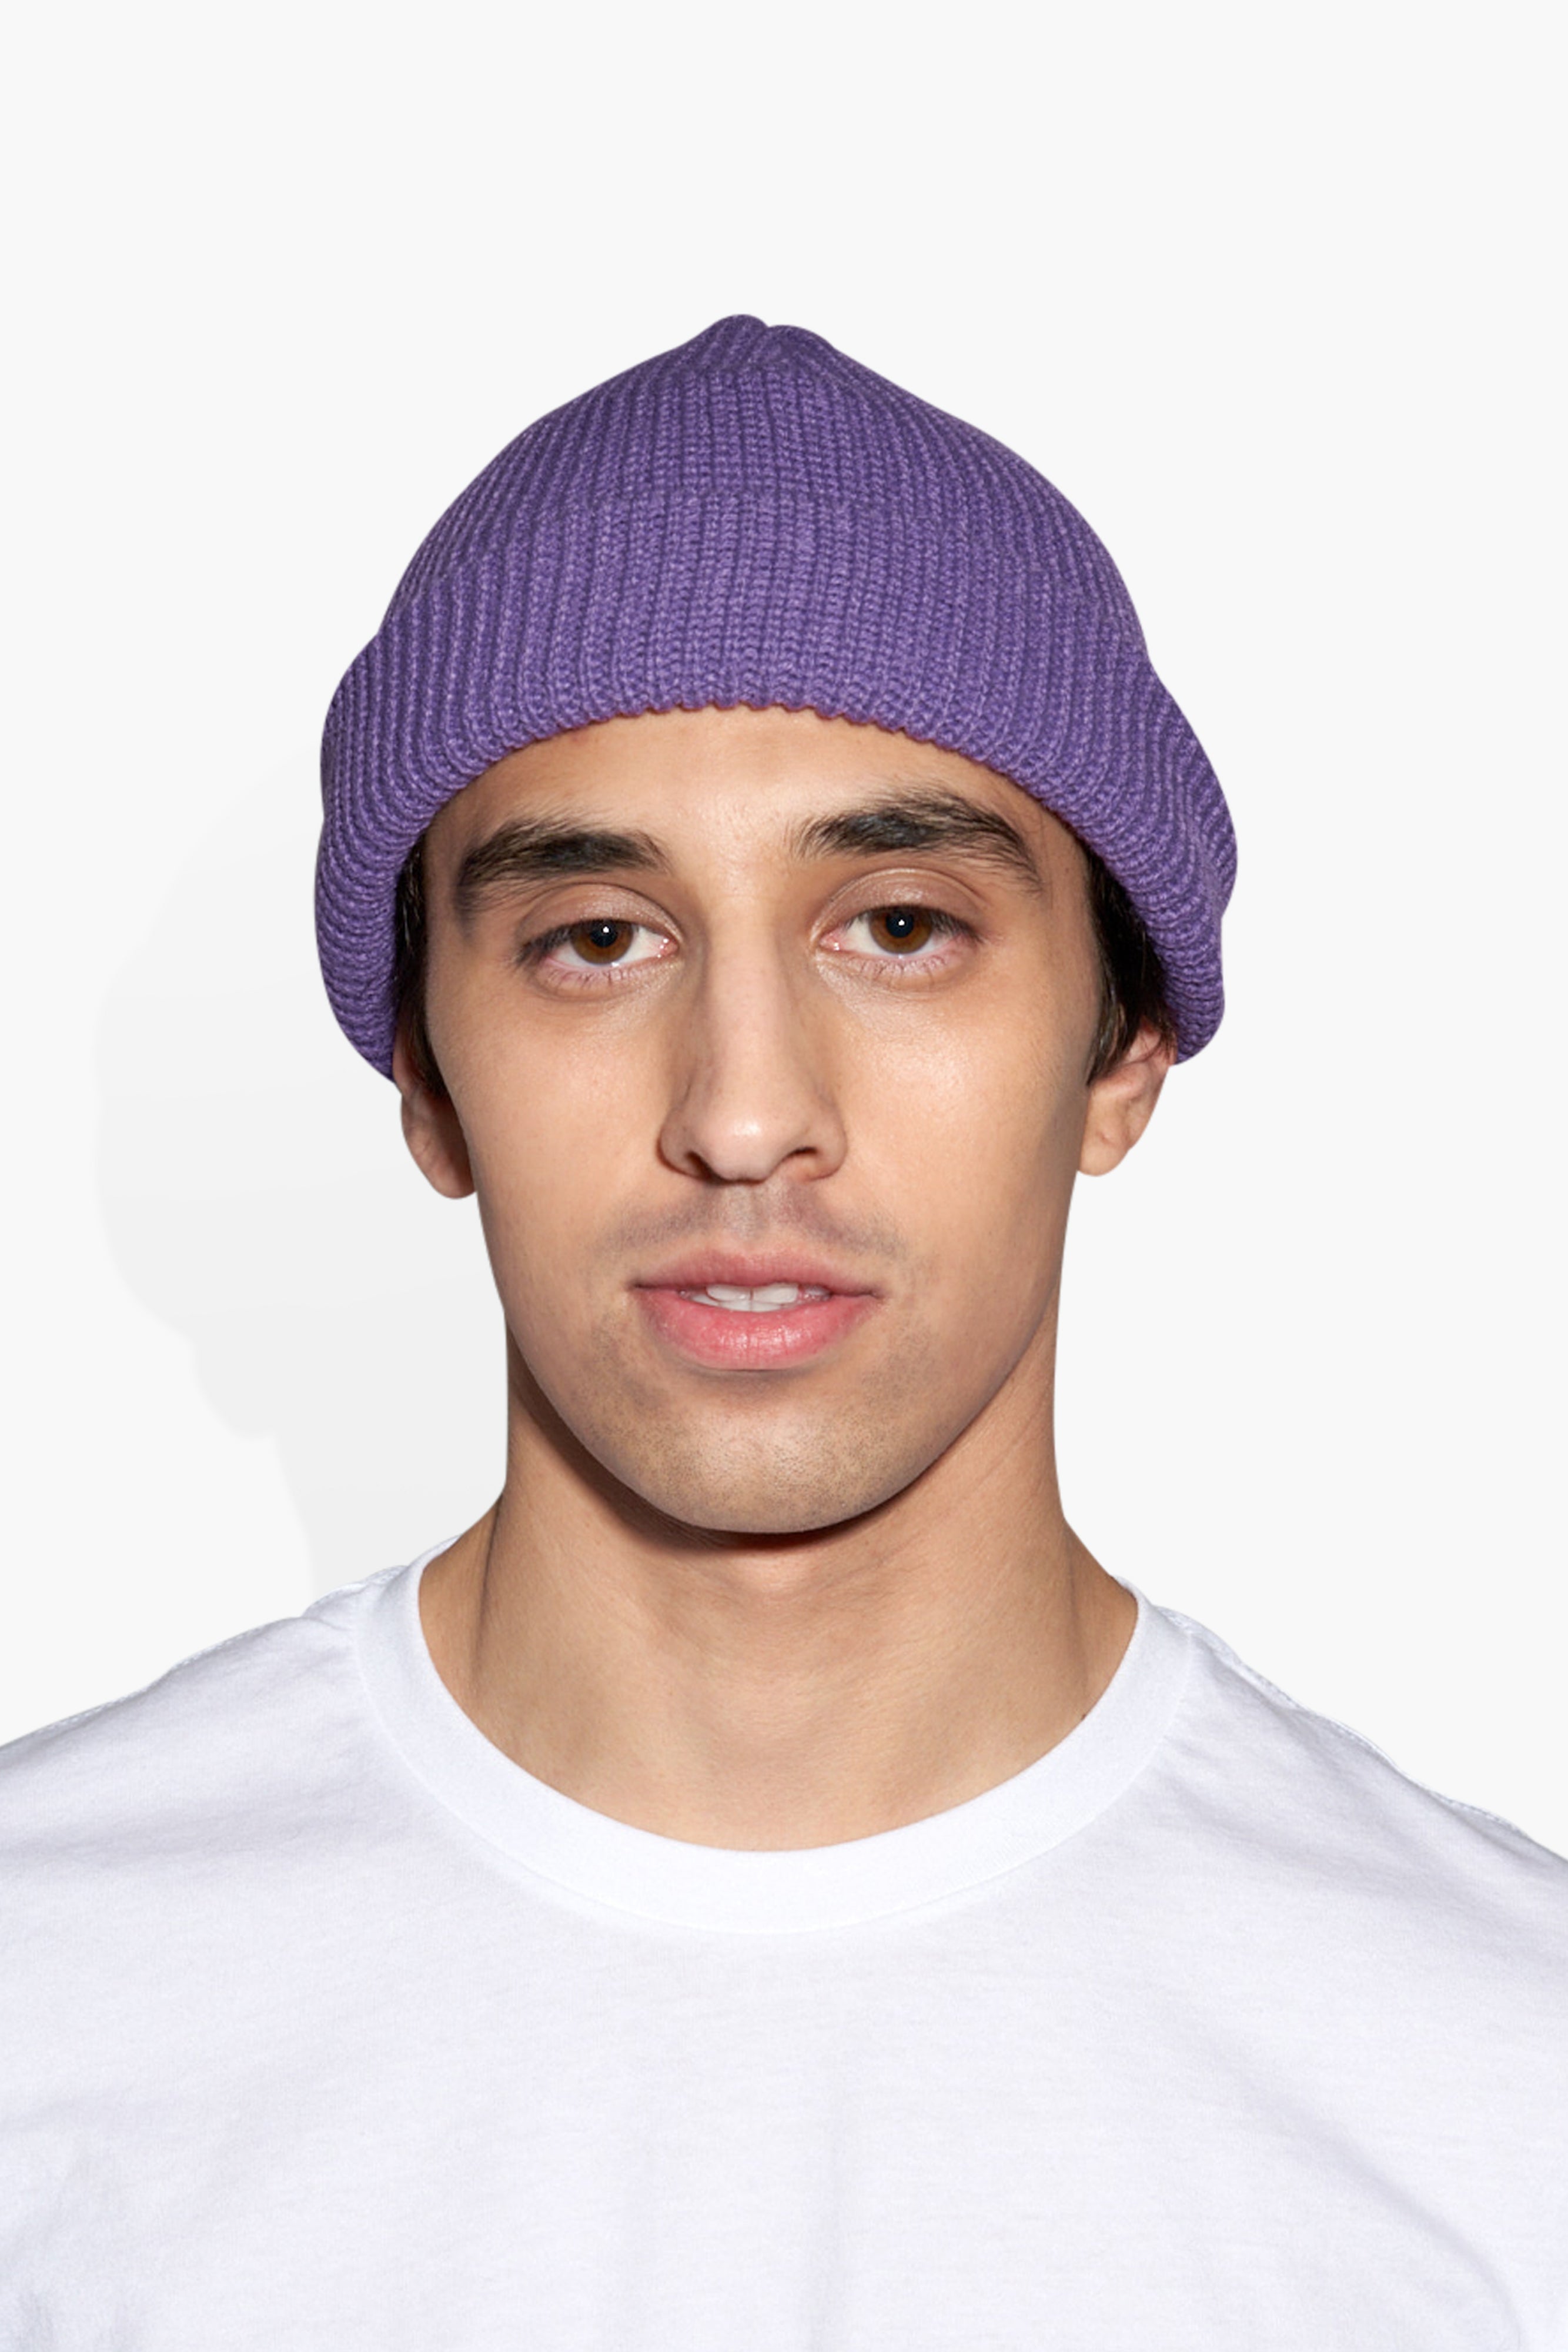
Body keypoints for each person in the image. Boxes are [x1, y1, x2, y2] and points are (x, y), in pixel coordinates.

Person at [2, 315, 1564, 2348]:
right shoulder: (47, 1998)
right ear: (427, 1081)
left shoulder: (1502, 2086)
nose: (742, 1114)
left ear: (1121, 1055)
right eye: (595, 939)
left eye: (899, 927)